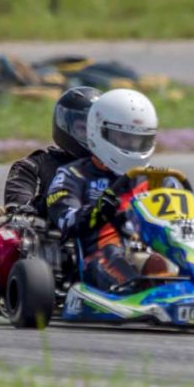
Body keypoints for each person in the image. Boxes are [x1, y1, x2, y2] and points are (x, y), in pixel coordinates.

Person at [45, 88, 160, 290]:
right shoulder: (73, 175)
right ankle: (138, 285)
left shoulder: (158, 179)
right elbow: (66, 221)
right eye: (124, 138)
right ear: (99, 132)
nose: (132, 146)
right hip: (99, 254)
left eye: (139, 140)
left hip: (153, 246)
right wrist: (100, 208)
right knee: (113, 256)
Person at [3, 86, 101, 215]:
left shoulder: (113, 168)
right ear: (64, 126)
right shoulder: (32, 167)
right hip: (54, 233)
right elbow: (20, 210)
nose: (90, 136)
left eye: (95, 130)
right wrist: (59, 199)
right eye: (83, 129)